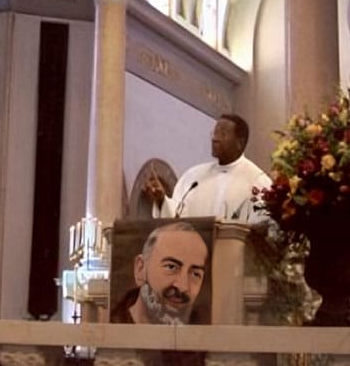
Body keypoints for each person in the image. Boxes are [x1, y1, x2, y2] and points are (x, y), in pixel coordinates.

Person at [143, 114, 271, 222]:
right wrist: (161, 200)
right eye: (214, 133)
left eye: (223, 134)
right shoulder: (194, 177)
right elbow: (178, 220)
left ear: (240, 143)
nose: (215, 138)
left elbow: (263, 227)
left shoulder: (257, 182)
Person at [111, 221, 209, 324]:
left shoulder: (203, 337)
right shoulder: (110, 334)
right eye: (171, 267)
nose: (183, 286)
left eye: (195, 274)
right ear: (141, 269)